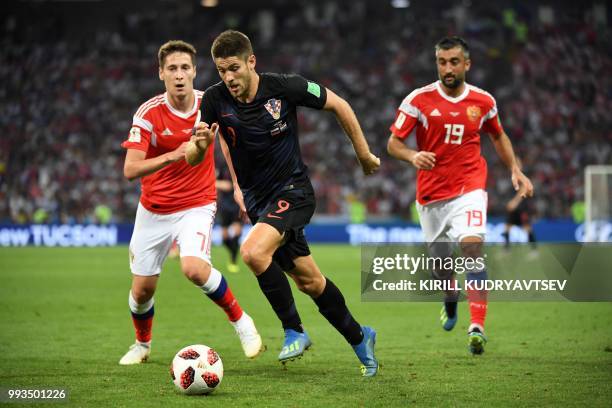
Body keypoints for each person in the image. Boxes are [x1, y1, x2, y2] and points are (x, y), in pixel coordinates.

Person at [187, 30, 381, 376]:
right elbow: (207, 149)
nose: (228, 77)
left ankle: (294, 330)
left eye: (234, 68)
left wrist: (363, 154)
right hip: (259, 202)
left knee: (252, 252)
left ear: (251, 61)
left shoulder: (284, 87)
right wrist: (209, 155)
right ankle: (360, 336)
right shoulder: (214, 100)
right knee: (310, 282)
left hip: (294, 191)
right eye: (221, 71)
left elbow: (339, 104)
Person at [118, 40, 263, 365]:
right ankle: (142, 345)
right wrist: (173, 154)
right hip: (153, 208)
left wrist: (239, 186)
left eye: (185, 68)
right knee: (141, 292)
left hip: (197, 203)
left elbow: (227, 143)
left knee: (194, 268)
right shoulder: (149, 113)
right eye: (172, 68)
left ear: (195, 72)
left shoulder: (209, 103)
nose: (179, 75)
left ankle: (242, 322)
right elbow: (130, 168)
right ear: (161, 73)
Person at [387, 36, 534, 355]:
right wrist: (412, 156)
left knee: (472, 247)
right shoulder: (419, 100)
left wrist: (515, 170)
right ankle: (450, 298)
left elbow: (498, 135)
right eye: (442, 62)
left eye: (454, 61)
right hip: (431, 196)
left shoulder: (483, 101)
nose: (448, 68)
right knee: (441, 266)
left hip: (469, 186)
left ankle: (477, 326)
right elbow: (393, 143)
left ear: (466, 64)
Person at [216, 168, 243, 273]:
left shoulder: (239, 166)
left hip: (237, 205)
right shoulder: (223, 167)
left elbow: (228, 186)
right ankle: (233, 251)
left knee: (237, 232)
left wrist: (212, 182)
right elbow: (222, 182)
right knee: (224, 238)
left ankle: (233, 261)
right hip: (225, 206)